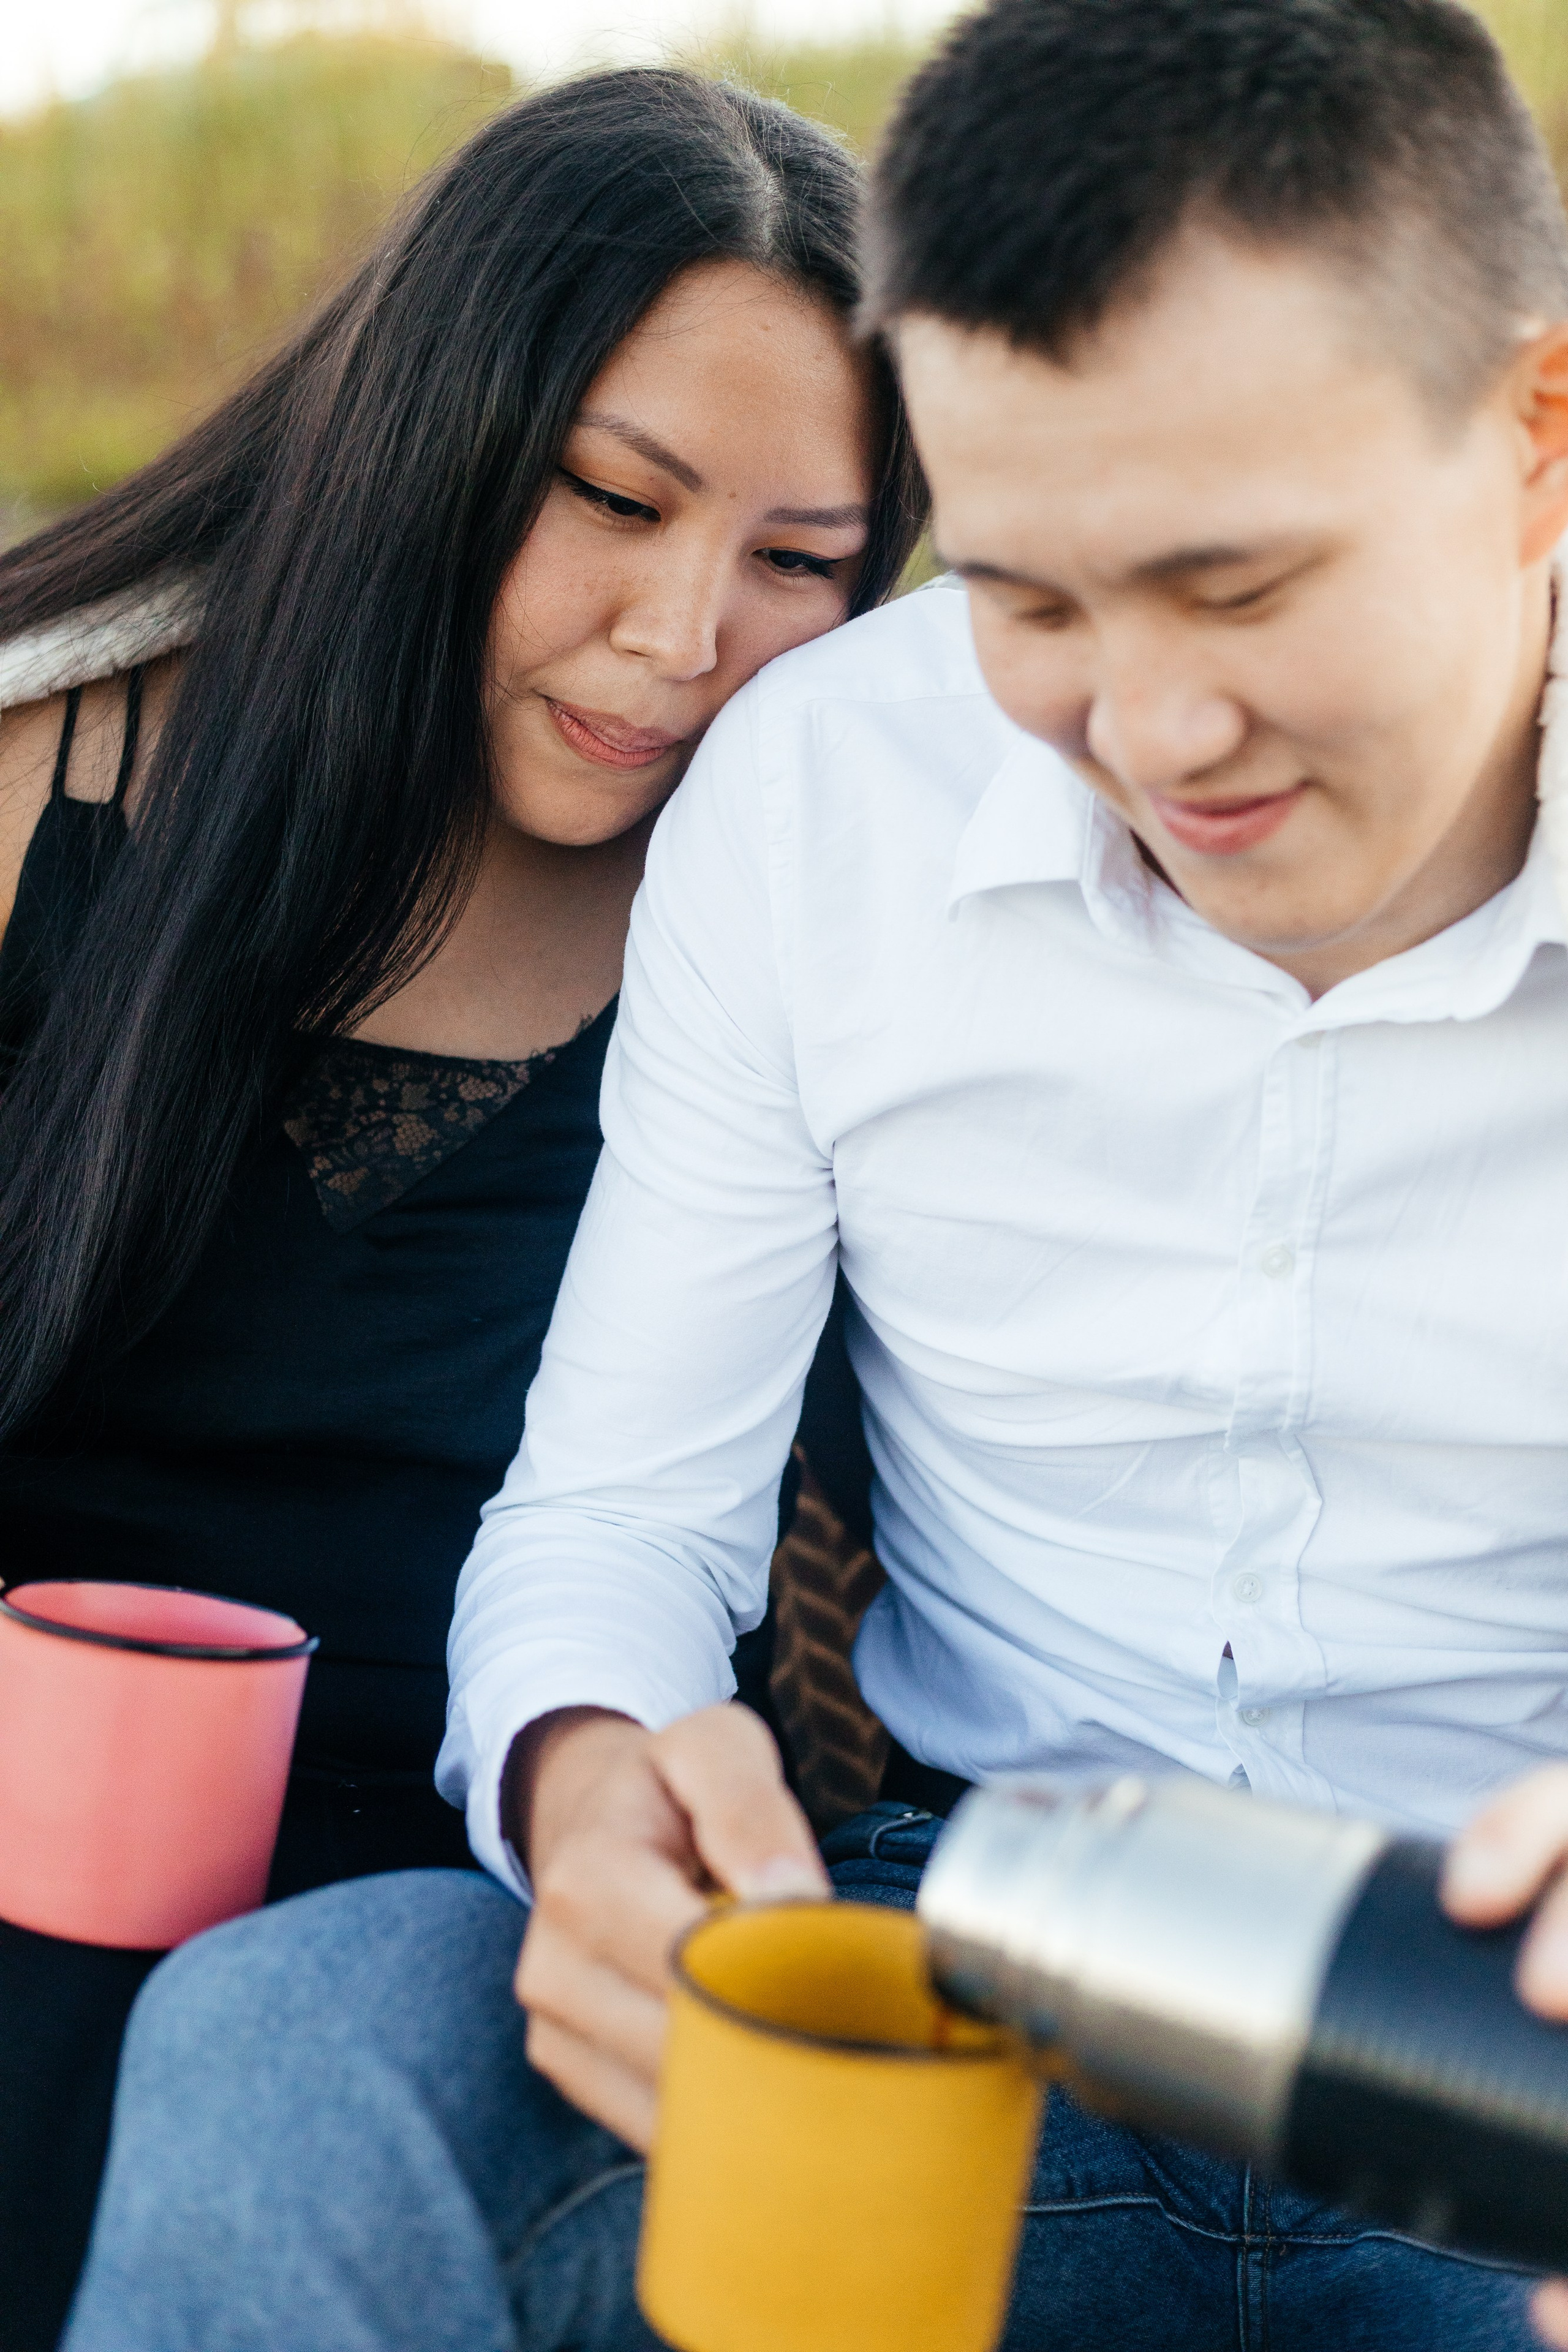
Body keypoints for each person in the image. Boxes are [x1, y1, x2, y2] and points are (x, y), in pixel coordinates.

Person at [54, 0, 1568, 2345]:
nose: (1152, 734)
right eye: (1032, 598)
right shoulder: (818, 787)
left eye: (1240, 585)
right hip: (963, 1968)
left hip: (1517, 2063)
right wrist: (586, 1786)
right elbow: (619, 1508)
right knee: (298, 2054)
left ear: (1533, 437)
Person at [0, 64, 923, 2351]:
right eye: (614, 497)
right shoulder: (50, 773)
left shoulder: (807, 915)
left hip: (487, 1909)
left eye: (800, 561)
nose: (683, 632)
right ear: (427, 434)